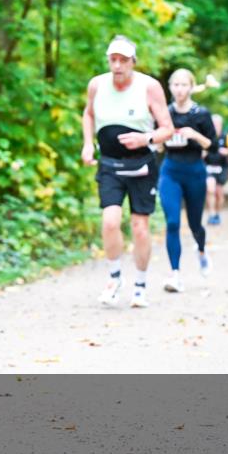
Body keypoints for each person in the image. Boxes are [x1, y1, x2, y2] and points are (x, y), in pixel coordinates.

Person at [82, 35, 174, 308]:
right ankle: (114, 278)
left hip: (141, 166)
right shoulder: (97, 85)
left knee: (140, 228)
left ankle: (140, 285)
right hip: (109, 164)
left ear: (133, 61)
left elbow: (167, 128)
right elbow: (88, 114)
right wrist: (88, 144)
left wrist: (145, 138)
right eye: (113, 59)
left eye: (124, 60)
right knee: (110, 221)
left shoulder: (149, 87)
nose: (118, 65)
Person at [156, 69, 216, 293]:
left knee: (194, 224)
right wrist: (162, 140)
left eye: (183, 85)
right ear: (170, 88)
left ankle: (201, 250)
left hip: (194, 171)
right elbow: (156, 145)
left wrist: (195, 135)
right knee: (172, 222)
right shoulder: (163, 114)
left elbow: (213, 145)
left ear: (191, 87)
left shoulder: (201, 114)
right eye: (175, 85)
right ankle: (175, 274)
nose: (179, 89)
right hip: (170, 171)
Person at [205, 113, 228, 225]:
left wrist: (226, 152)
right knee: (210, 190)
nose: (215, 126)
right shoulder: (206, 136)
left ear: (221, 125)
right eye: (213, 124)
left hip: (221, 168)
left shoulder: (227, 136)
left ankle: (217, 214)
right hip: (208, 167)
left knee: (219, 194)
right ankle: (211, 214)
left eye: (217, 124)